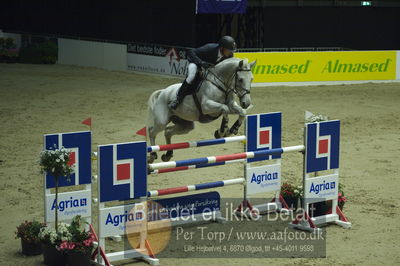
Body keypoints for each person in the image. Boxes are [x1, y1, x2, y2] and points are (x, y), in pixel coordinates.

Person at [168, 36, 237, 110]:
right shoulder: (210, 48)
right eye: (229, 50)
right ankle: (177, 99)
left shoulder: (229, 56)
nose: (230, 52)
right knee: (191, 77)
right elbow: (191, 52)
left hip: (209, 68)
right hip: (196, 63)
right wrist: (200, 63)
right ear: (222, 48)